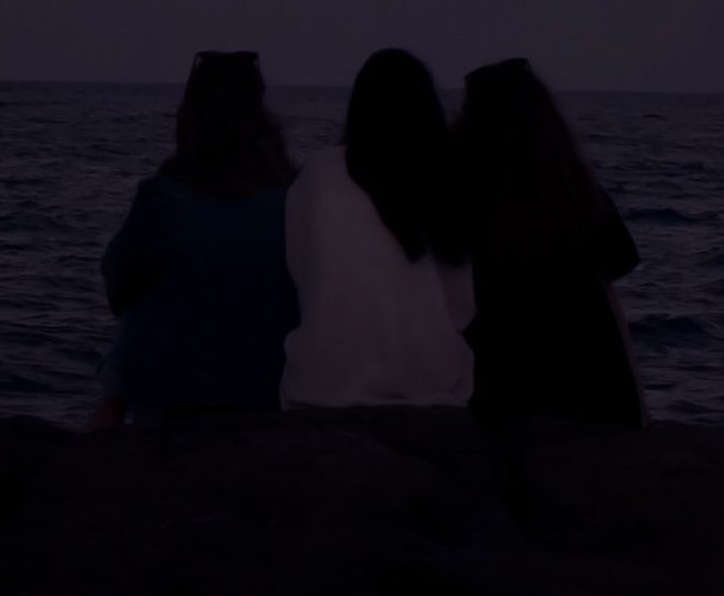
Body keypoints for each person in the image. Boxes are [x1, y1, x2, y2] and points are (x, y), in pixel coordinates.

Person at [99, 51, 298, 419]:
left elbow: (117, 286)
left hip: (173, 398)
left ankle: (107, 417)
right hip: (267, 387)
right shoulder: (294, 196)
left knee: (145, 295)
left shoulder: (164, 196)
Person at [454, 58, 643, 426]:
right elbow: (615, 275)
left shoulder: (464, 198)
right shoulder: (578, 194)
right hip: (591, 390)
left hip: (503, 391)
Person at [281, 48, 474, 408]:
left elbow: (301, 272)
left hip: (322, 384)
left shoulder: (319, 174)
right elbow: (464, 308)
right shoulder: (442, 181)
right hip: (427, 384)